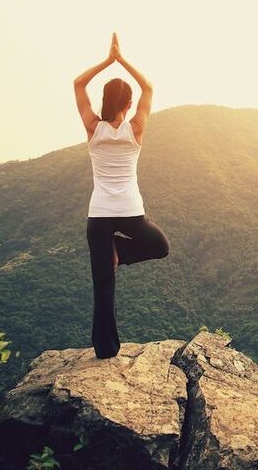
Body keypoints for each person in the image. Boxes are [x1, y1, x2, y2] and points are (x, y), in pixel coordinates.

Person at [74, 32, 170, 359]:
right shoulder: (136, 128)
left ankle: (106, 349)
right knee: (160, 245)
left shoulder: (92, 127)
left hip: (99, 216)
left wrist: (107, 61)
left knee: (104, 288)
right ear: (128, 105)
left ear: (105, 101)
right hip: (130, 214)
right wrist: (122, 60)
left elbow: (77, 84)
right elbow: (149, 88)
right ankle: (122, 251)